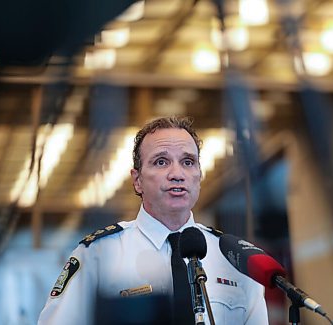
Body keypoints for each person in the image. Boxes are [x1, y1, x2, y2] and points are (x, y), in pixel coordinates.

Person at [38, 116, 268, 324]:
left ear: (199, 176)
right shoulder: (98, 254)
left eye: (188, 162)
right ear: (137, 180)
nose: (177, 174)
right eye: (161, 162)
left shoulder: (234, 259)